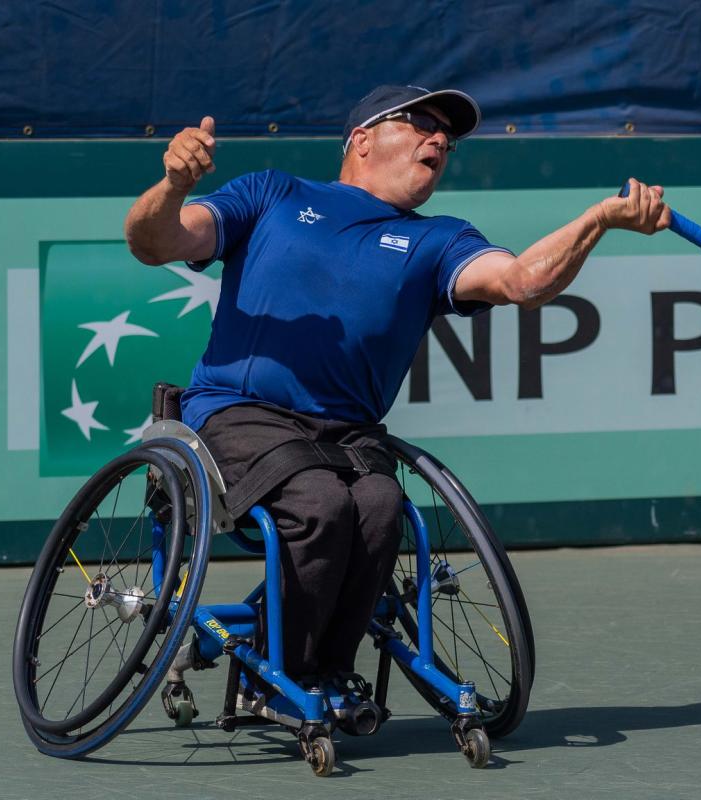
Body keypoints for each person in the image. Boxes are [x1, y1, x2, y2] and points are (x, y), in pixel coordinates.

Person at [123, 84, 669, 689]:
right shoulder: (273, 194)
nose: (439, 140)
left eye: (448, 137)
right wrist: (174, 186)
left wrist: (600, 219)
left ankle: (322, 672)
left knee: (381, 510)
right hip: (239, 415)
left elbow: (522, 282)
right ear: (361, 139)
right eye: (419, 123)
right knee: (321, 507)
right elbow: (154, 242)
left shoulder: (439, 242)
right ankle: (291, 681)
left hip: (347, 435)